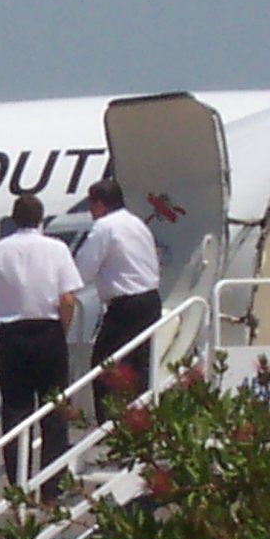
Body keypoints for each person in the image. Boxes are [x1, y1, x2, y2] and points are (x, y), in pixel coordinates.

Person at [0, 194, 83, 502]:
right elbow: (67, 298)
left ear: (14, 218)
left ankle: (19, 488)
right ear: (40, 219)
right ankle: (51, 491)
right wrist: (60, 331)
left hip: (12, 335)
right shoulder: (57, 249)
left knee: (15, 413)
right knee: (54, 412)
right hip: (48, 332)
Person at [75, 179, 162, 423]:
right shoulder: (136, 223)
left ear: (100, 204)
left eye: (91, 205)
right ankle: (140, 425)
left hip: (127, 305)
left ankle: (110, 426)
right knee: (138, 367)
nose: (91, 211)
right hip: (150, 299)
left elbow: (83, 270)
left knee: (104, 365)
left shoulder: (104, 227)